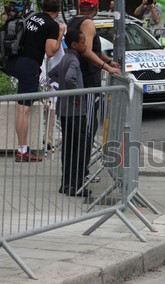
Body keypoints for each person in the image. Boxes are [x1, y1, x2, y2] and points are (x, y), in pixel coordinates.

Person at [4, 0, 65, 162]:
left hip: (12, 61)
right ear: (58, 11)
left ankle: (23, 149)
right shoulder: (52, 25)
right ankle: (22, 151)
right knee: (23, 110)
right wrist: (59, 34)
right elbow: (50, 51)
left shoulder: (31, 15)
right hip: (28, 66)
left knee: (22, 104)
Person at [67, 0, 120, 182]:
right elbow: (87, 51)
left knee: (79, 129)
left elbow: (91, 48)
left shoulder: (74, 20)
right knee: (87, 130)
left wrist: (107, 60)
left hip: (81, 82)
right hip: (88, 82)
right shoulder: (88, 23)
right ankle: (81, 174)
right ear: (96, 9)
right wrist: (107, 67)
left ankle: (73, 173)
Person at [48, 29, 91, 197]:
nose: (85, 45)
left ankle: (65, 184)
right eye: (82, 43)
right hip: (76, 112)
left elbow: (53, 74)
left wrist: (62, 88)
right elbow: (69, 78)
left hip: (64, 112)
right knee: (80, 148)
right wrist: (76, 94)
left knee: (68, 148)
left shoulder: (65, 58)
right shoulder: (74, 60)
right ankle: (77, 186)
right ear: (74, 44)